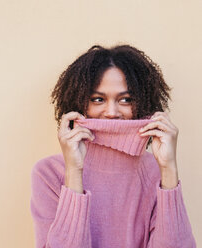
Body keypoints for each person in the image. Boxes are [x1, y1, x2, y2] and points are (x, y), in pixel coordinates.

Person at [30, 44, 196, 248]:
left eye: (125, 100)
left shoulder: (156, 172)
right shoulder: (48, 173)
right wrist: (74, 172)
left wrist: (169, 169)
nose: (111, 112)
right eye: (98, 99)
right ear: (78, 103)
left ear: (142, 104)